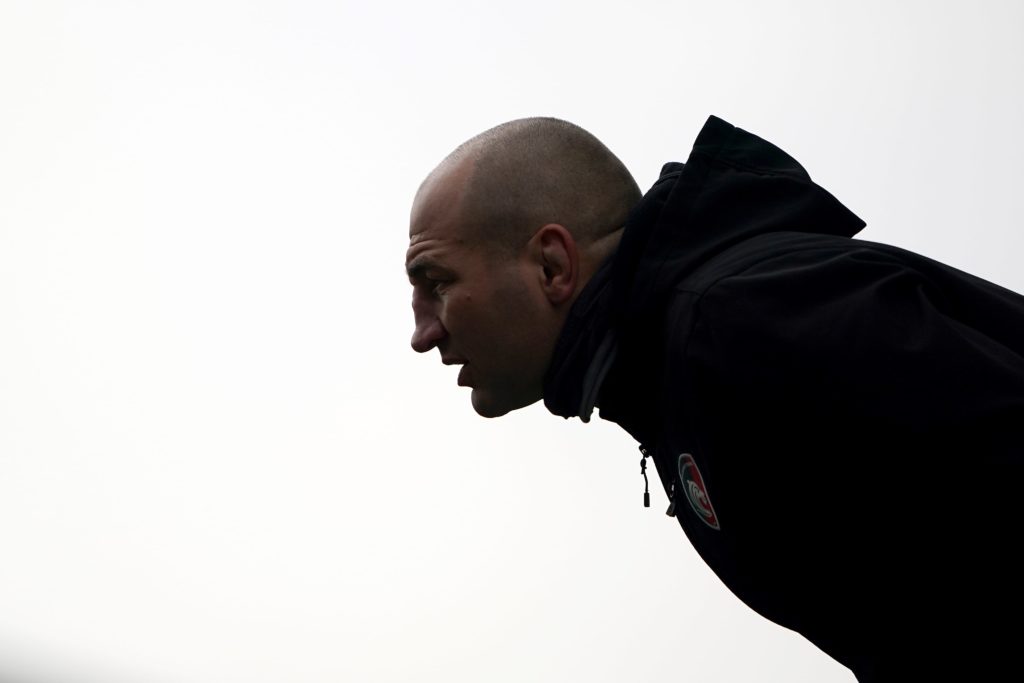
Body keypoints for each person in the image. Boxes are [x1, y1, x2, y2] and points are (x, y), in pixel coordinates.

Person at [405, 115, 1024, 681]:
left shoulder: (741, 321)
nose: (422, 334)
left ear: (551, 266)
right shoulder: (679, 362)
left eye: (437, 283)